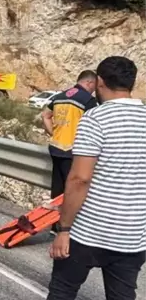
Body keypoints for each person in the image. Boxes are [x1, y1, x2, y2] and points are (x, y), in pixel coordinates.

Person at [21, 56, 146, 300]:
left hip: (90, 231)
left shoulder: (97, 118)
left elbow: (78, 180)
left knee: (62, 292)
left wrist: (63, 229)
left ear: (101, 84)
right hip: (133, 234)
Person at [42, 70, 97, 202]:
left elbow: (45, 115)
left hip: (55, 147)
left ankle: (54, 219)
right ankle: (67, 220)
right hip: (72, 151)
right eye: (95, 86)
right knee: (71, 191)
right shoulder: (88, 100)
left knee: (57, 188)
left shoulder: (59, 96)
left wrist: (54, 132)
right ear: (89, 82)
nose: (94, 90)